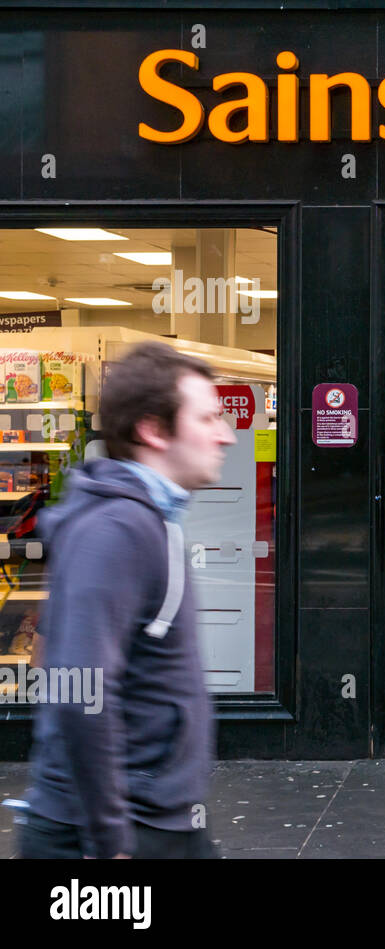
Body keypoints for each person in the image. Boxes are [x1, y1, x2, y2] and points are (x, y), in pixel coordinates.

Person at [20, 342, 236, 858]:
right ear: (153, 430)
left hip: (151, 820)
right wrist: (109, 840)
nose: (225, 434)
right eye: (207, 418)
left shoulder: (139, 520)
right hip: (113, 834)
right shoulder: (119, 530)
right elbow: (78, 689)